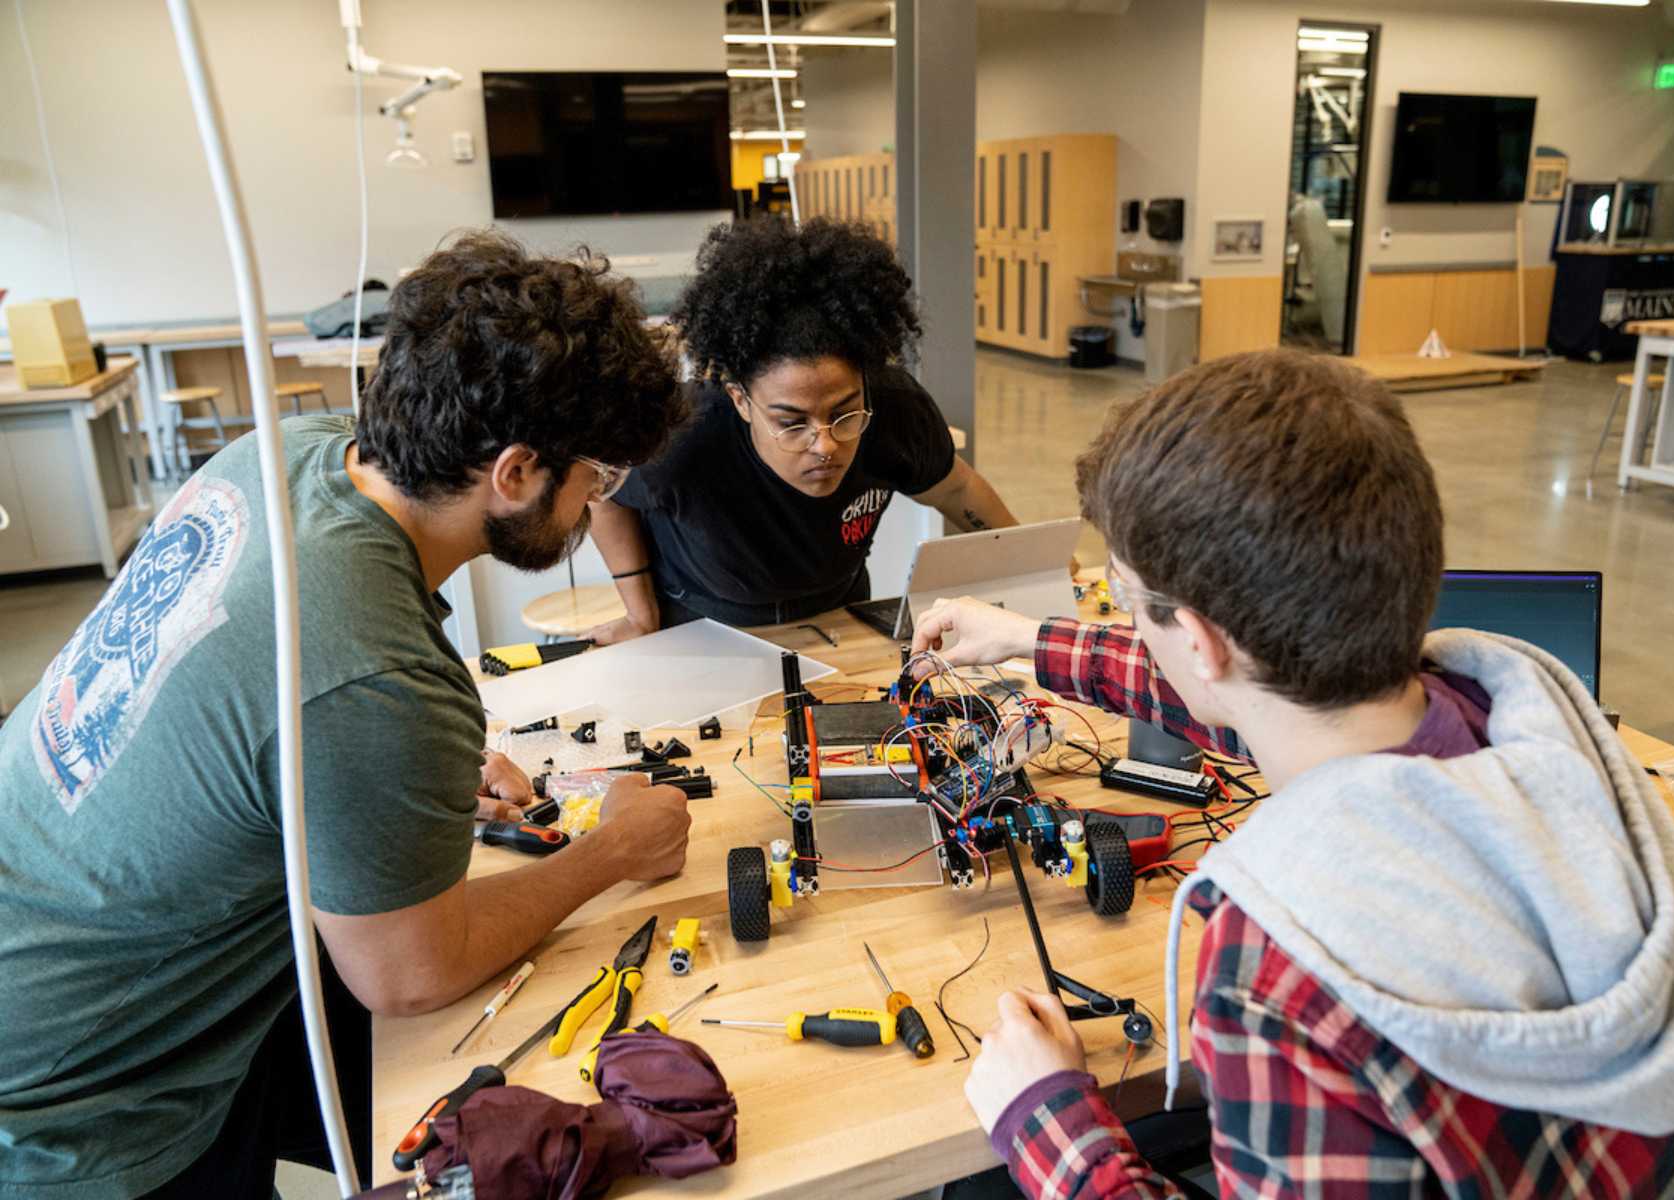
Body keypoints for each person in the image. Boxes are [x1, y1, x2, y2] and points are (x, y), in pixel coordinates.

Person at [912, 350, 1674, 1198]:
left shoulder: (1281, 968)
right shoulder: (1535, 736)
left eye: (1129, 600)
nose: (1135, 621)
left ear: (1199, 642)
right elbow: (1255, 697)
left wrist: (1047, 1118)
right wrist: (1029, 640)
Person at [0, 231, 695, 1198]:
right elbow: (409, 974)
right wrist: (612, 852)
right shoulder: (375, 679)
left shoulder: (289, 454)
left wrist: (382, 781)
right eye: (596, 478)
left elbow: (238, 703)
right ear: (517, 472)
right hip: (75, 1106)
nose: (593, 504)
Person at [585, 218, 1023, 637]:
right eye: (791, 423)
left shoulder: (894, 407)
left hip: (839, 608)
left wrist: (1026, 562)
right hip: (706, 620)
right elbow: (604, 497)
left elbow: (954, 488)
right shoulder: (679, 434)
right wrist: (640, 615)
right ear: (741, 400)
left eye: (845, 413)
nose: (825, 444)